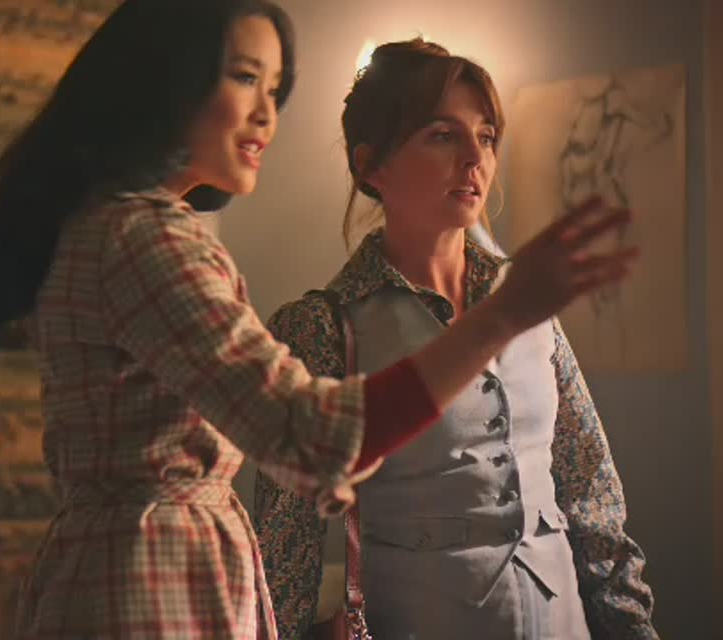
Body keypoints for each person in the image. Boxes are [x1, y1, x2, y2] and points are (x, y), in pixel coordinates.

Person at [0, 3, 636, 637]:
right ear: (167, 79)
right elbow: (311, 439)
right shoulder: (145, 240)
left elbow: (588, 488)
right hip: (149, 588)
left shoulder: (117, 230)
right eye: (244, 78)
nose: (267, 114)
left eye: (274, 89)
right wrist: (501, 318)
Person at [253, 39, 657, 640]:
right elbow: (284, 558)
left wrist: (631, 627)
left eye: (486, 137)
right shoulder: (322, 326)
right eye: (442, 135)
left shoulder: (528, 297)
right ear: (371, 165)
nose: (475, 158)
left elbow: (591, 494)